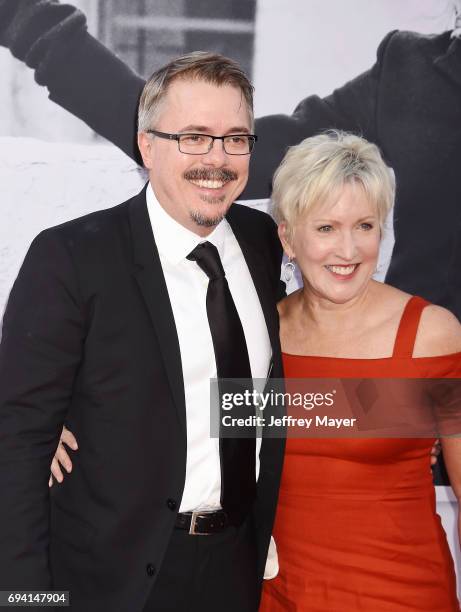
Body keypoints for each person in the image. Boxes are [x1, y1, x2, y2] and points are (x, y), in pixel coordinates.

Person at [2, 0, 461, 483]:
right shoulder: (411, 73)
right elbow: (218, 150)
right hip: (395, 423)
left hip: (410, 421)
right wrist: (27, 23)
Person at [0, 52, 286, 612]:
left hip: (237, 568)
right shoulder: (71, 257)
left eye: (236, 138)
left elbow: (259, 398)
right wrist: (29, 600)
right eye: (195, 137)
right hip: (109, 582)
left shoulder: (260, 242)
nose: (218, 159)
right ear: (147, 146)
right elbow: (16, 444)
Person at [258, 131, 461, 611]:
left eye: (365, 226)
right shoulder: (258, 335)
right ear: (288, 236)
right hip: (277, 598)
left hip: (401, 596)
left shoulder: (433, 335)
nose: (348, 251)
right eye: (326, 228)